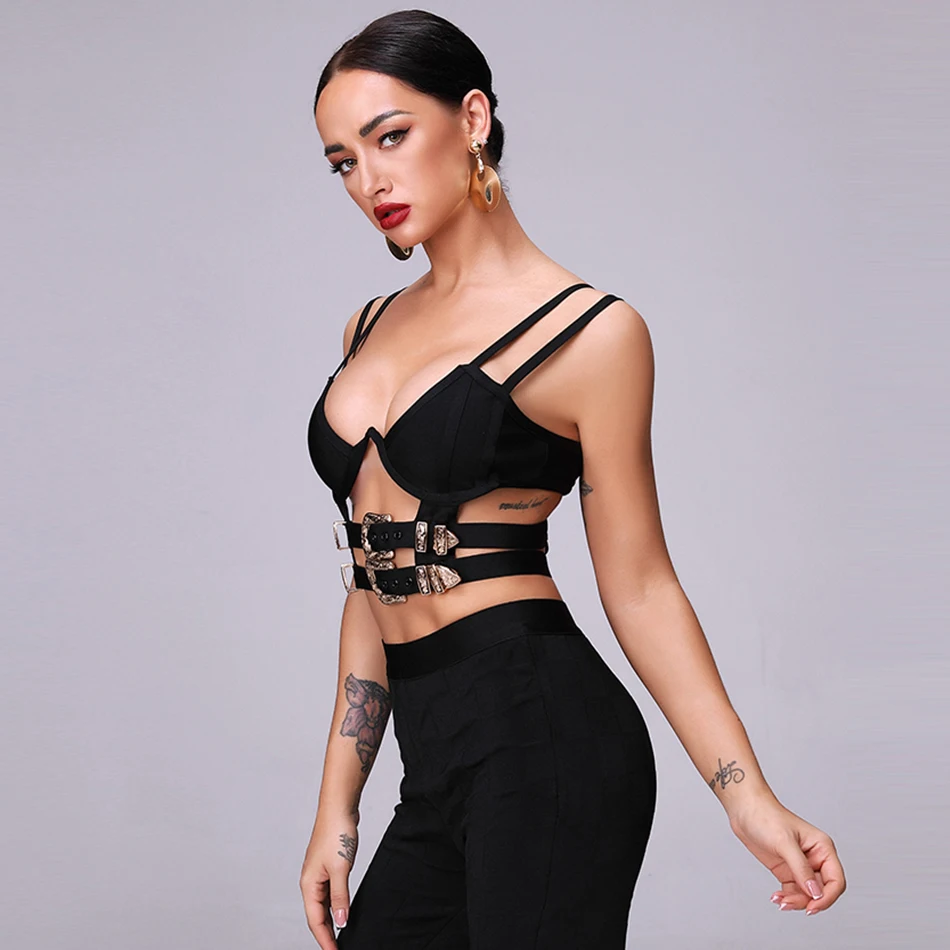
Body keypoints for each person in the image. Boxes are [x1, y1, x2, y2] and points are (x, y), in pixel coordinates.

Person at [299, 10, 846, 949]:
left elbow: (640, 584)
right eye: (343, 161)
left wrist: (745, 794)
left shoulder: (594, 334)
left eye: (390, 137)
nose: (369, 181)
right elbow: (371, 575)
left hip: (543, 738)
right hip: (431, 757)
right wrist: (336, 809)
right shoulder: (368, 327)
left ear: (473, 118)